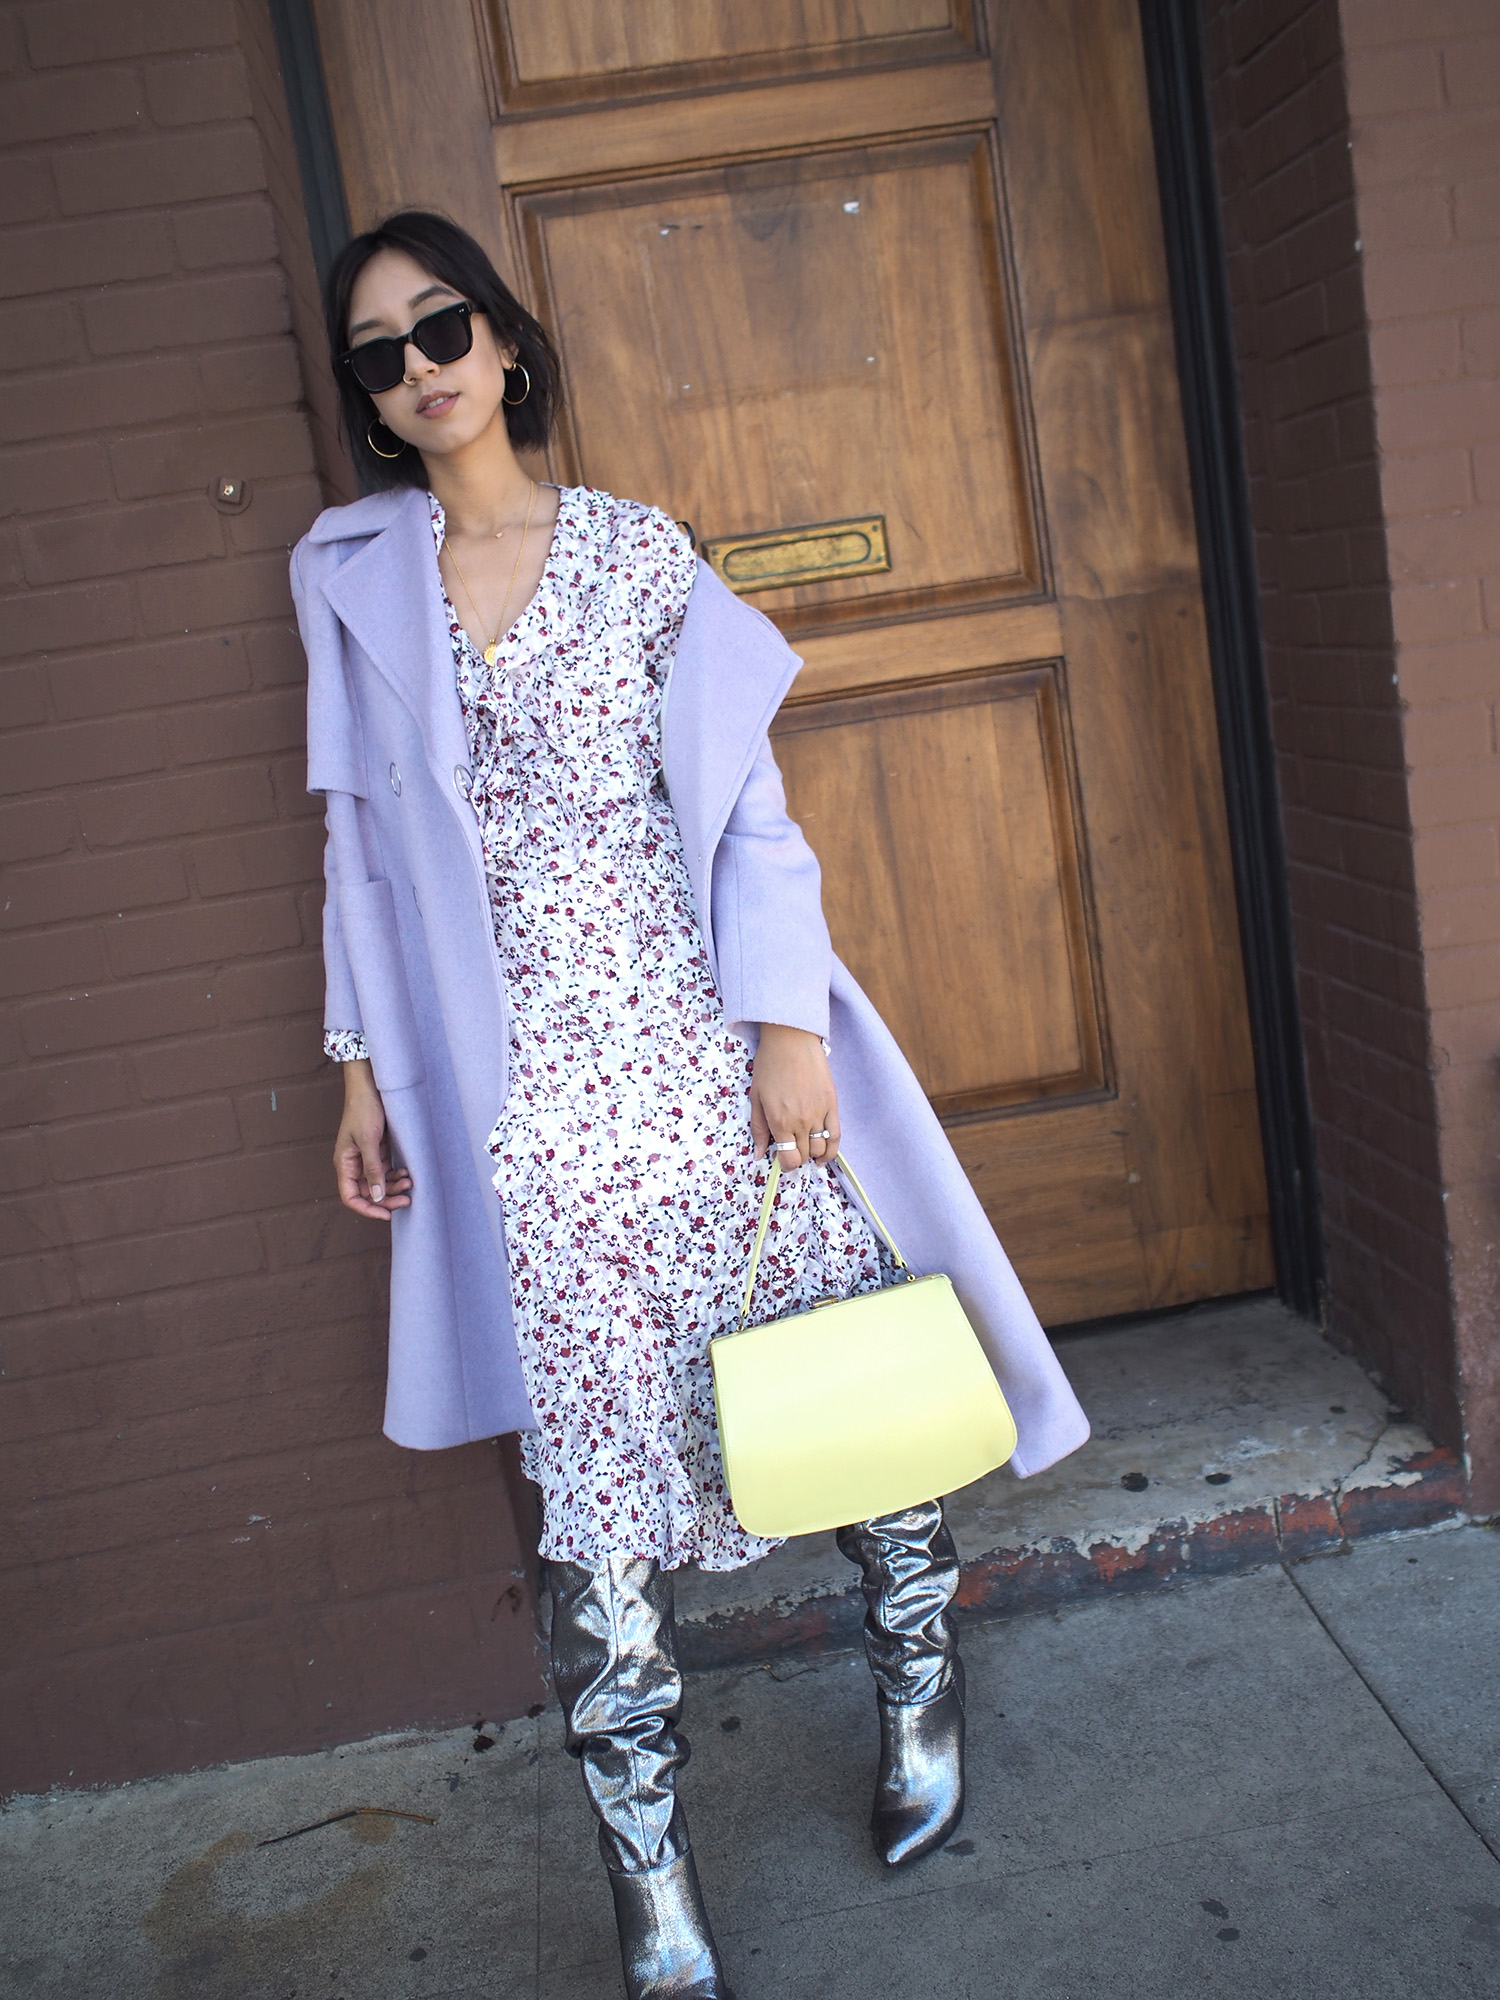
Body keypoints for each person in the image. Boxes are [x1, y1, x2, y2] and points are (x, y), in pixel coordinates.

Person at [293, 210, 1088, 2000]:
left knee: (843, 1396)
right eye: (379, 353)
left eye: (443, 329)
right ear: (365, 394)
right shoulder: (346, 577)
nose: (419, 368)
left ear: (504, 342)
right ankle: (650, 1881)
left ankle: (916, 1689)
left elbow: (747, 812)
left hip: (705, 1054)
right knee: (592, 1492)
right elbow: (350, 849)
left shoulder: (641, 554)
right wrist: (359, 1071)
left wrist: (783, 1025)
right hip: (525, 1115)